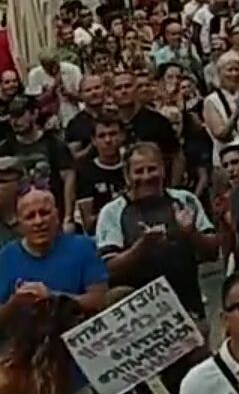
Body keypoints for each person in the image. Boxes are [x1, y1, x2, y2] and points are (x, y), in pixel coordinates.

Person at [96, 142, 218, 320]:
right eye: (139, 171)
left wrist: (191, 233)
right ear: (127, 175)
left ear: (163, 169)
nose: (146, 177)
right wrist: (143, 246)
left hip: (188, 309)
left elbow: (212, 253)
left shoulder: (185, 200)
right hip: (136, 319)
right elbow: (109, 269)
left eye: (152, 169)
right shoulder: (112, 211)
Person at [0, 188, 108, 331]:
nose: (38, 221)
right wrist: (15, 303)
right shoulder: (5, 258)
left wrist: (53, 297)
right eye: (30, 216)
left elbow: (99, 299)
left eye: (44, 213)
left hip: (76, 332)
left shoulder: (83, 246)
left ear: (57, 216)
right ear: (19, 224)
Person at [0, 96, 76, 232]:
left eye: (20, 115)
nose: (15, 121)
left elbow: (69, 181)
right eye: (12, 117)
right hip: (18, 220)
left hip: (51, 215)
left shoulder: (53, 144)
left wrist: (68, 218)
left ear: (34, 114)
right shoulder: (5, 148)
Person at [204, 51, 239, 166]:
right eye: (229, 70)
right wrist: (236, 113)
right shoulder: (211, 100)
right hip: (225, 160)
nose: (234, 74)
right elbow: (221, 134)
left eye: (237, 69)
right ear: (220, 73)